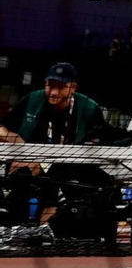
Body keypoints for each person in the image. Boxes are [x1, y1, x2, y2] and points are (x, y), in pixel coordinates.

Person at [0, 63, 116, 226]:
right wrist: (20, 144)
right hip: (28, 163)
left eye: (61, 87)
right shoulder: (32, 99)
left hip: (69, 168)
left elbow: (100, 143)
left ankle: (47, 233)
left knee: (60, 197)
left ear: (73, 87)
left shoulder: (89, 108)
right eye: (50, 86)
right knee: (22, 177)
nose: (54, 92)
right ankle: (14, 228)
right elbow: (1, 129)